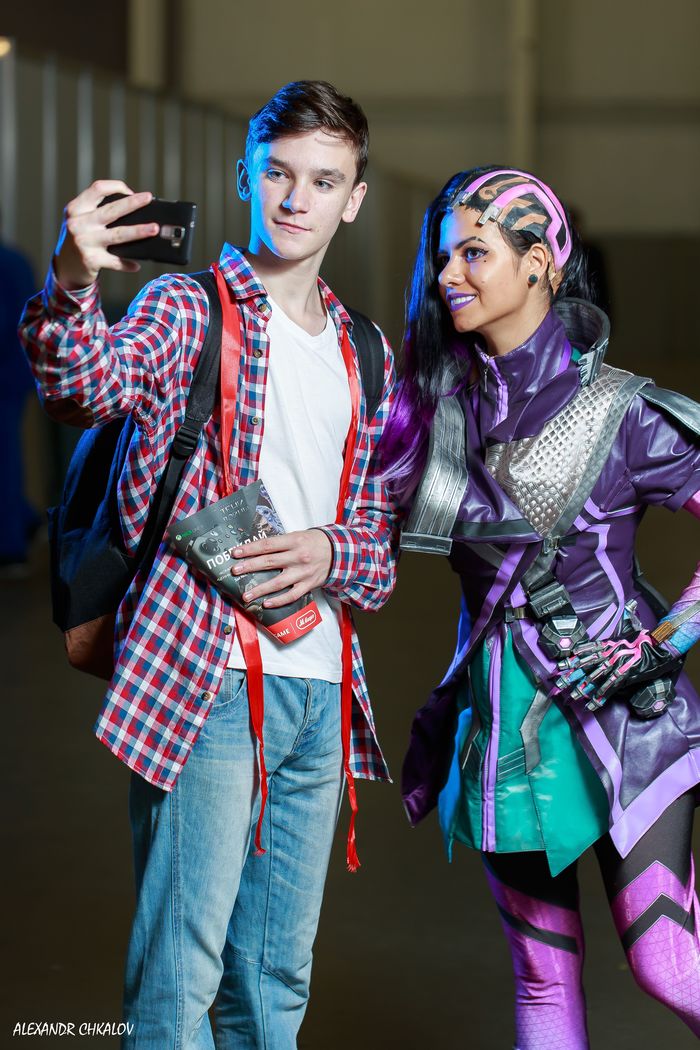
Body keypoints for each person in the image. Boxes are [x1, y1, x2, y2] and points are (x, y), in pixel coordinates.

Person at [19, 80, 398, 1049]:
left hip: (321, 687)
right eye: (277, 173)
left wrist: (328, 548)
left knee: (274, 979)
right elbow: (82, 386)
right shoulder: (187, 307)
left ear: (353, 199)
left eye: (324, 181)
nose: (296, 199)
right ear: (243, 176)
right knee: (180, 974)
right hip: (206, 678)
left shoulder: (365, 350)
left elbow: (376, 543)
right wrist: (71, 281)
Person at [380, 166, 700, 1047]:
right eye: (443, 256)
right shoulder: (433, 416)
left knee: (668, 963)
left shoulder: (625, 412)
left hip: (629, 725)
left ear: (539, 264)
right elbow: (356, 519)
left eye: (473, 253)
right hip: (502, 731)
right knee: (539, 976)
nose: (448, 274)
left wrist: (666, 642)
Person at [0, 227, 39, 575]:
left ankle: (11, 547)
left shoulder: (9, 263)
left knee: (6, 461)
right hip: (14, 376)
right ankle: (24, 521)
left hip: (7, 379)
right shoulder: (15, 262)